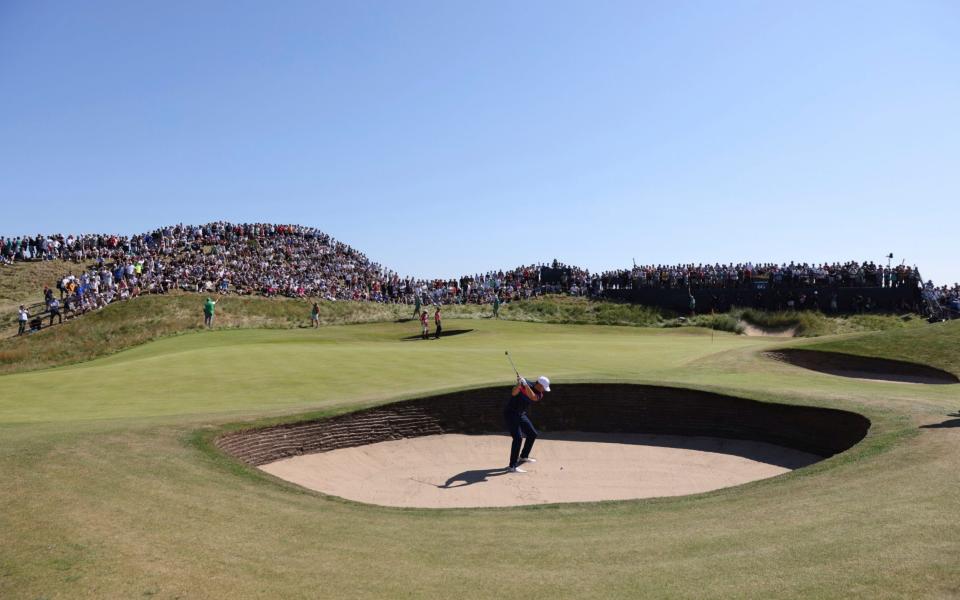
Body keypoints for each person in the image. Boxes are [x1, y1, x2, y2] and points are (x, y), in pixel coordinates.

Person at [504, 374, 551, 473]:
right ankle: (512, 466)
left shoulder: (539, 394)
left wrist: (525, 385)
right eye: (544, 388)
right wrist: (519, 383)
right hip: (511, 413)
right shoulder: (526, 382)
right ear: (539, 385)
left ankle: (523, 456)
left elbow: (533, 397)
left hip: (521, 414)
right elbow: (514, 393)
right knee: (518, 438)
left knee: (532, 434)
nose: (544, 390)